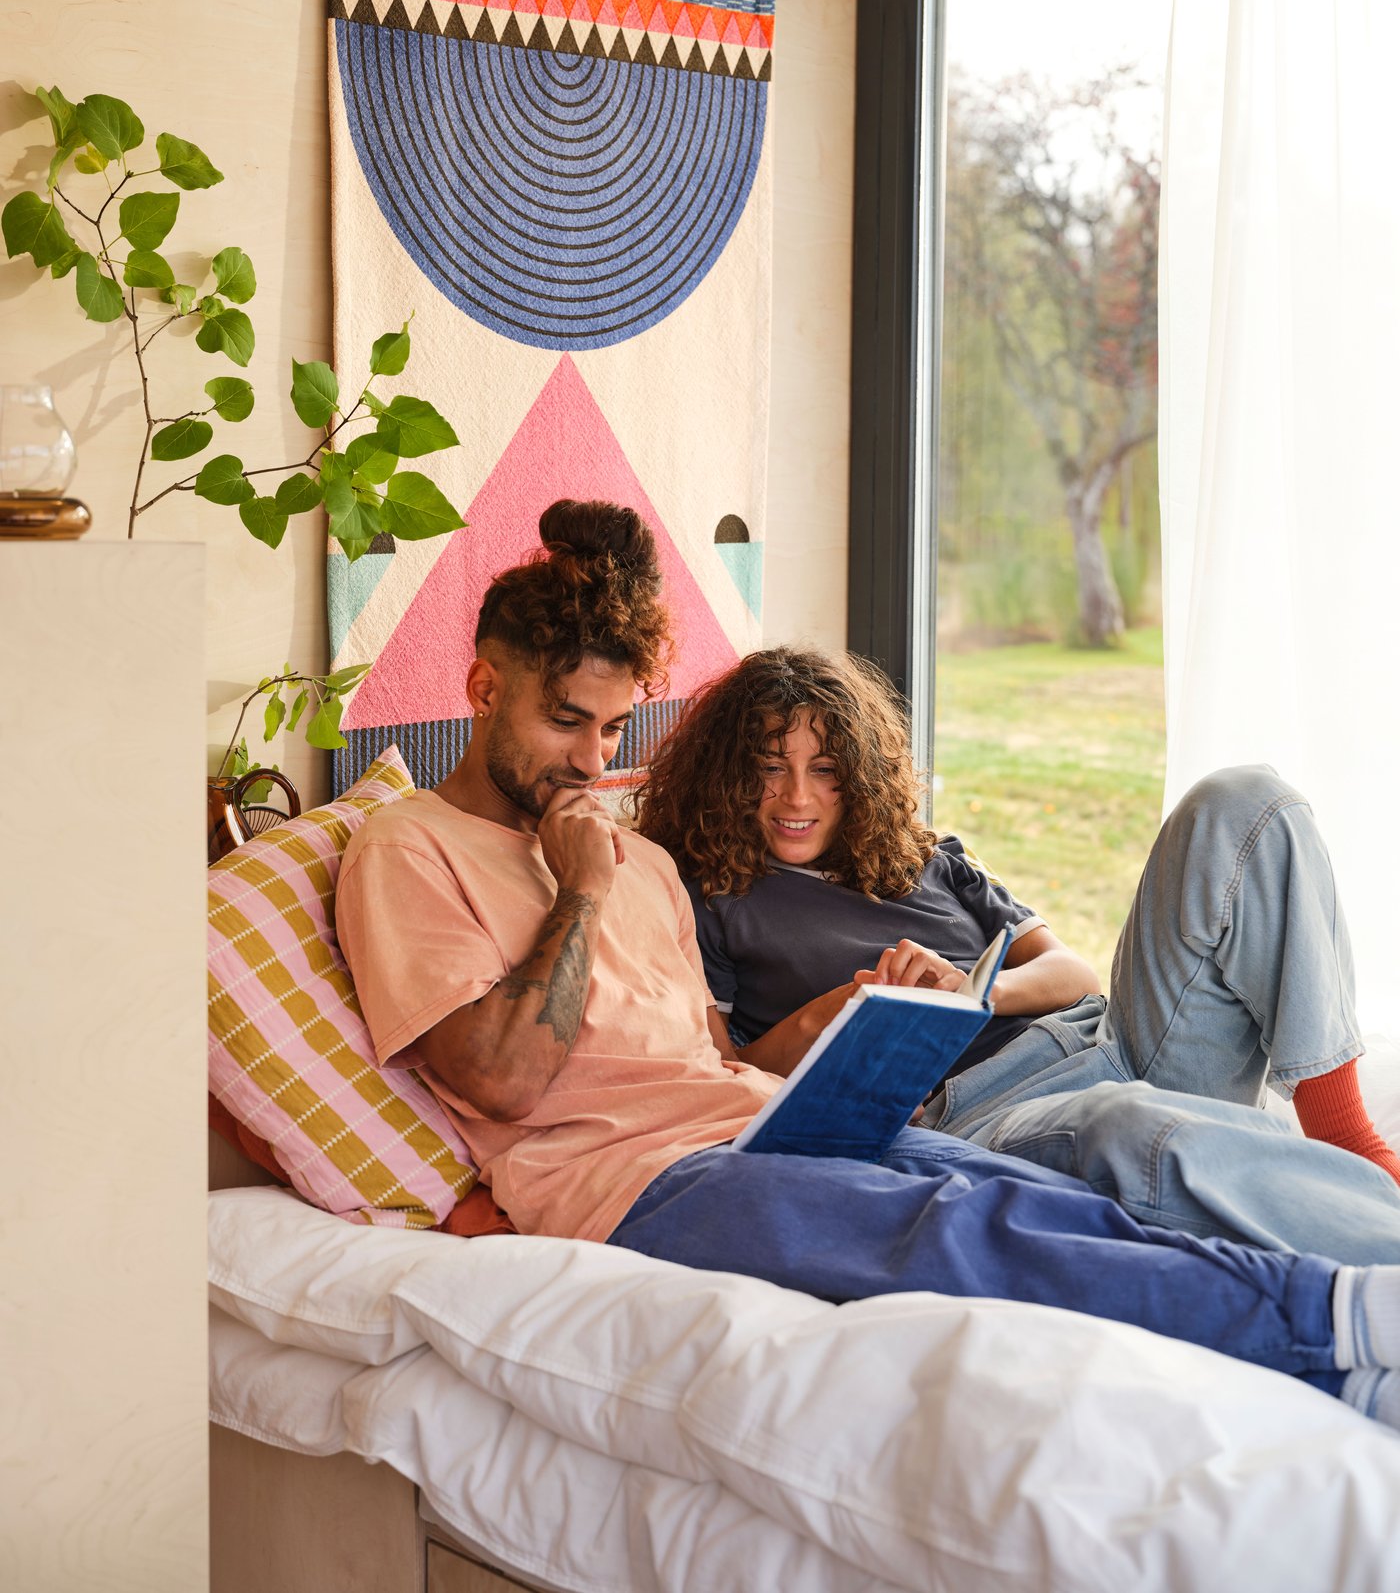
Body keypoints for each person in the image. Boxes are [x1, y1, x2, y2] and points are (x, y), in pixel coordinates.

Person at [337, 499, 1400, 1433]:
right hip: (644, 1181)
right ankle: (1330, 1321)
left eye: (614, 729)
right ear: (483, 687)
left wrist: (840, 1056)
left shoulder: (642, 863)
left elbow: (709, 1055)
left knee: (1050, 1207)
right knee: (970, 1230)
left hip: (774, 1129)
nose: (592, 762)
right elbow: (499, 1077)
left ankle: (1339, 1332)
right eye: (567, 722)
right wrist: (578, 888)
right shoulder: (407, 849)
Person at [632, 644, 1400, 1265]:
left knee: (1245, 801)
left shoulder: (928, 860)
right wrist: (845, 1015)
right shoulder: (706, 899)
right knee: (1130, 1124)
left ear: (857, 773)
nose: (797, 796)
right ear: (729, 777)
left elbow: (1071, 973)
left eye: (824, 769)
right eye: (770, 768)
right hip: (981, 1110)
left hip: (1110, 1038)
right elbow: (720, 1071)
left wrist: (970, 993)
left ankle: (1343, 1132)